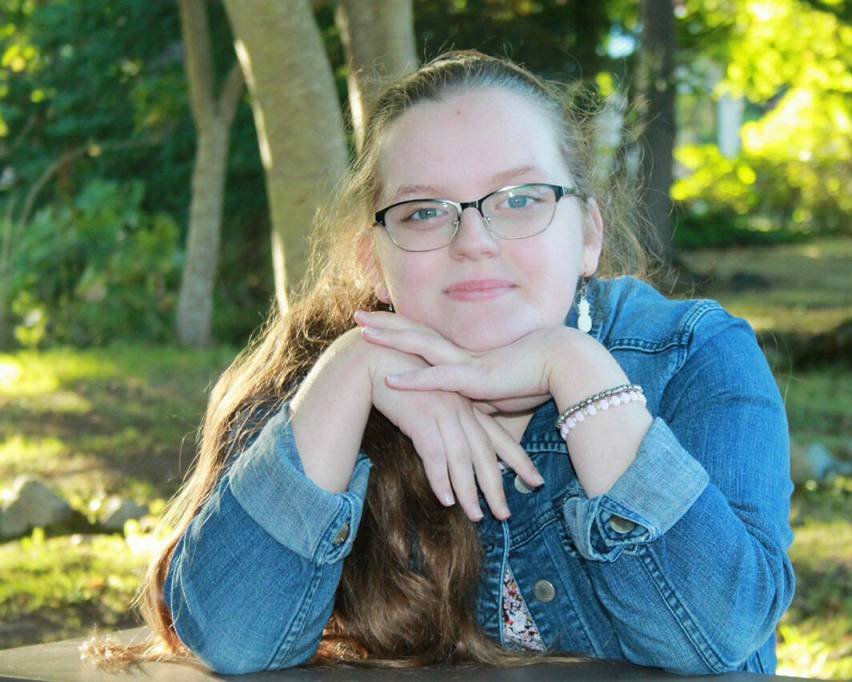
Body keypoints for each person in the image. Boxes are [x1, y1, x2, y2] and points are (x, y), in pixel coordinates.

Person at [83, 49, 795, 676]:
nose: (473, 240)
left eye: (520, 200)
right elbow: (232, 639)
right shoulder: (320, 374)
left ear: (587, 234)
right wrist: (353, 371)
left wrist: (578, 371)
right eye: (424, 211)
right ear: (374, 260)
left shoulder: (693, 357)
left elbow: (717, 640)